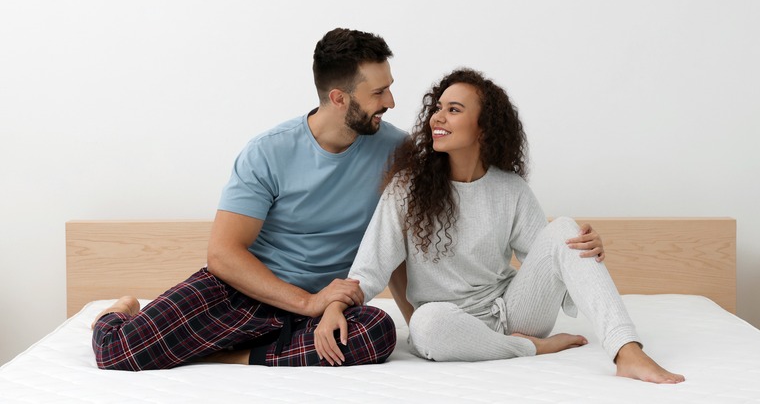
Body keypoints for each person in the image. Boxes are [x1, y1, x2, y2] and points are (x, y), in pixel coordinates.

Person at [314, 68, 685, 384]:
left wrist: (584, 249)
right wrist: (335, 306)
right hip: (451, 326)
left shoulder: (510, 189)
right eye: (438, 108)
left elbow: (554, 260)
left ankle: (627, 351)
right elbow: (369, 268)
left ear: (483, 128)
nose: (437, 118)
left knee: (566, 229)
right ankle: (530, 349)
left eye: (453, 110)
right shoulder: (407, 189)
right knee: (424, 324)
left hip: (515, 313)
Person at [90, 28, 406, 369]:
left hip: (324, 310)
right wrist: (307, 301)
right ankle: (120, 310)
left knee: (378, 331)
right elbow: (223, 255)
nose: (390, 102)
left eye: (389, 87)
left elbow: (402, 241)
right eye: (379, 92)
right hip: (243, 294)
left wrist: (330, 305)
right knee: (117, 352)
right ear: (339, 98)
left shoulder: (399, 152)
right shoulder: (269, 151)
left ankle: (233, 355)